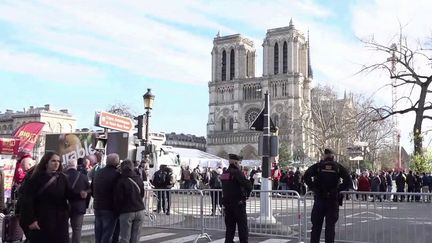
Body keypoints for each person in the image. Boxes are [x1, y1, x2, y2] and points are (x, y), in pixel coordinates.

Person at [20, 151, 87, 243]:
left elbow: (69, 194)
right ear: (46, 163)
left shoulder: (62, 177)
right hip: (42, 220)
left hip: (60, 221)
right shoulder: (35, 178)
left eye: (58, 161)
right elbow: (28, 200)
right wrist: (31, 220)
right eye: (53, 161)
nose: (56, 164)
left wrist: (79, 195)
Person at [303, 149, 351, 243]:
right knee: (330, 228)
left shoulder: (318, 166)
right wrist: (337, 190)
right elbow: (348, 181)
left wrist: (314, 188)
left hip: (320, 199)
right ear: (333, 156)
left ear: (324, 156)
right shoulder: (338, 167)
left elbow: (306, 176)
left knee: (316, 227)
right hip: (332, 200)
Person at [220, 154, 252, 243]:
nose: (240, 164)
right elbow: (249, 186)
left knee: (230, 227)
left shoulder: (225, 173)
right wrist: (247, 193)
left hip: (227, 204)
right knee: (242, 227)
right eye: (239, 163)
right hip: (238, 203)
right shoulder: (237, 172)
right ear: (235, 162)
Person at [91, 153, 121, 243]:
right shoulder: (117, 174)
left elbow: (92, 187)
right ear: (117, 162)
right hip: (110, 207)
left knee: (98, 232)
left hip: (97, 205)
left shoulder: (98, 172)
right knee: (107, 234)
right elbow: (118, 192)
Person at [114, 160, 145, 243]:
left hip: (127, 211)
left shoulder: (121, 181)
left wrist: (118, 210)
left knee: (124, 238)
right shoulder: (138, 178)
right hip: (140, 209)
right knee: (135, 237)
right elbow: (142, 194)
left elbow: (118, 198)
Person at [65, 159, 91, 243]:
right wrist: (86, 205)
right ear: (76, 166)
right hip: (79, 206)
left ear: (67, 165)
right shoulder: (83, 177)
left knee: (62, 228)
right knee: (77, 229)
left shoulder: (62, 176)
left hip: (64, 205)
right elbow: (88, 191)